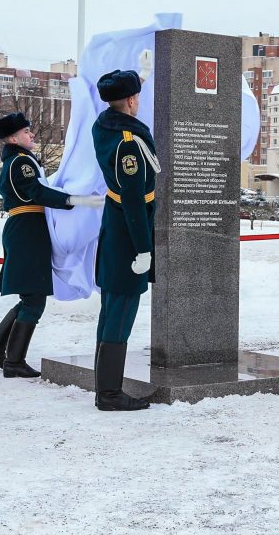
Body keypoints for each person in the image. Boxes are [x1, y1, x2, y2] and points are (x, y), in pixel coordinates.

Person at [0, 112, 103, 378]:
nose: (32, 135)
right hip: (27, 230)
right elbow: (36, 192)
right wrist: (76, 200)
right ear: (13, 138)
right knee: (34, 299)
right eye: (27, 132)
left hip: (27, 229)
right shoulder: (20, 162)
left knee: (30, 296)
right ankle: (13, 361)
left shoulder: (20, 160)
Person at [92, 70, 158, 411]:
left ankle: (105, 387)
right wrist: (145, 249)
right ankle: (109, 394)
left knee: (111, 310)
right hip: (127, 238)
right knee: (120, 312)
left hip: (114, 230)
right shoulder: (127, 143)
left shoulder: (104, 128)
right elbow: (133, 201)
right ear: (131, 100)